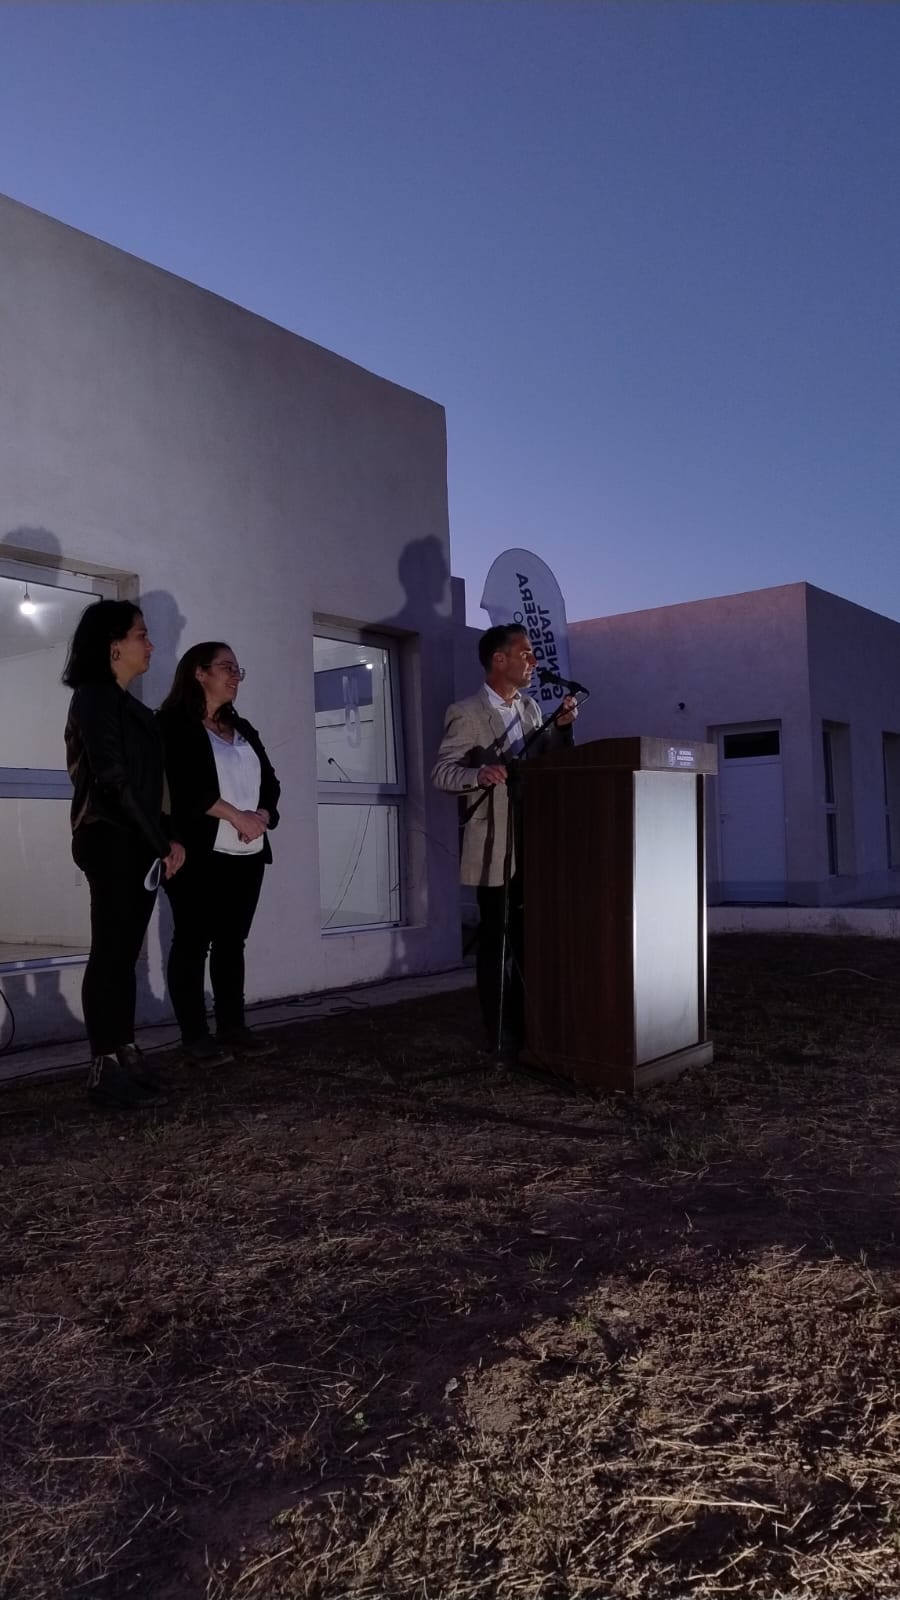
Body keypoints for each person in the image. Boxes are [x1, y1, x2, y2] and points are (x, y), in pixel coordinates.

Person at [431, 623, 577, 1060]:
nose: (533, 661)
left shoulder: (531, 709)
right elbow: (442, 772)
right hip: (496, 844)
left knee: (532, 936)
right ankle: (497, 1032)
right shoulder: (467, 712)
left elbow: (549, 764)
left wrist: (562, 729)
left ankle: (530, 1024)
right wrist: (478, 775)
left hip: (535, 841)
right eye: (525, 654)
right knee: (498, 939)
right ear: (499, 659)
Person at [63, 599, 185, 1109]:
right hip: (110, 837)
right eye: (141, 635)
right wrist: (161, 841)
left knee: (123, 953)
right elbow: (113, 780)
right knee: (111, 952)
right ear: (113, 645)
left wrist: (162, 838)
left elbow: (150, 784)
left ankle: (125, 1051)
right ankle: (104, 1066)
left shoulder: (128, 706)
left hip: (134, 840)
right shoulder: (94, 697)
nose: (151, 645)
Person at [158, 642, 281, 1065]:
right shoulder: (173, 724)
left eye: (238, 670)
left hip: (248, 851)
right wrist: (236, 816)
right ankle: (194, 1036)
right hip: (197, 851)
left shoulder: (240, 726)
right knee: (192, 942)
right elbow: (184, 786)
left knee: (232, 942)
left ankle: (233, 1027)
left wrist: (261, 816)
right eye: (226, 667)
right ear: (199, 672)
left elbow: (270, 781)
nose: (235, 676)